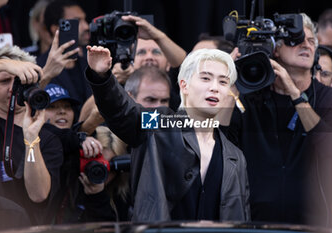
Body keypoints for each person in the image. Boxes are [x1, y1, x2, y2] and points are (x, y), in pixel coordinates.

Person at [85, 46, 250, 221]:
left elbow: (242, 218)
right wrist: (102, 77)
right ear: (184, 86)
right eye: (206, 78)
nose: (215, 88)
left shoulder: (235, 156)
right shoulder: (162, 124)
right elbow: (123, 112)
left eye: (223, 82)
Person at [221, 13, 332, 227]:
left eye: (311, 41)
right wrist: (229, 81)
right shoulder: (251, 100)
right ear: (275, 49)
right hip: (255, 222)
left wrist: (295, 95)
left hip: (315, 223)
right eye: (295, 40)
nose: (305, 45)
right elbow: (221, 137)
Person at [0, 45, 63, 225]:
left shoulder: (49, 136)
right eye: (4, 81)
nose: (13, 89)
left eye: (20, 82)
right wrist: (4, 64)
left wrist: (31, 139)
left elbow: (39, 194)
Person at [43, 83, 103, 223]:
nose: (62, 111)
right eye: (52, 107)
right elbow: (53, 135)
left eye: (67, 106)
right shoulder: (32, 141)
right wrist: (80, 137)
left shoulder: (86, 142)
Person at [37, 0, 92, 120]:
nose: (86, 26)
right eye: (77, 21)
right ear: (56, 28)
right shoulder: (37, 67)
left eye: (84, 19)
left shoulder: (89, 63)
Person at [79, 66, 171, 135]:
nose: (159, 107)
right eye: (151, 100)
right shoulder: (113, 132)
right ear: (130, 98)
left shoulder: (177, 131)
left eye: (164, 101)